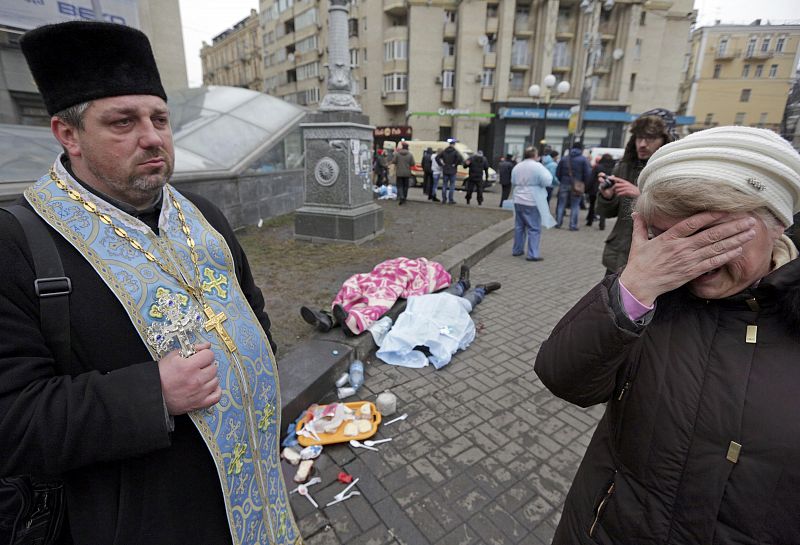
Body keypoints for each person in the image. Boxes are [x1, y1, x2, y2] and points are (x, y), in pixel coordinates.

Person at [0, 21, 301, 545]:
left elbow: (252, 310)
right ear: (68, 135)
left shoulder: (202, 214)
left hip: (253, 496)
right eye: (122, 122)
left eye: (160, 118)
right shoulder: (16, 243)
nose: (152, 137)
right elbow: (12, 421)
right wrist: (152, 394)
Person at [534, 126, 800, 544]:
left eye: (714, 236)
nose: (692, 260)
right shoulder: (655, 298)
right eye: (664, 238)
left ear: (778, 223)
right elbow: (565, 378)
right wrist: (632, 290)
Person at [597, 108, 678, 274]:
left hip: (653, 261)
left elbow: (679, 217)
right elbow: (607, 213)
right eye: (639, 137)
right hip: (618, 256)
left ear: (666, 140)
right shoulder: (624, 167)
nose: (642, 144)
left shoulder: (675, 172)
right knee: (612, 300)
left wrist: (642, 197)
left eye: (651, 138)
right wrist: (607, 197)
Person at [376, 268, 501, 370]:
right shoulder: (440, 336)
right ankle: (481, 289)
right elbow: (453, 332)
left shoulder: (408, 331)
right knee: (468, 302)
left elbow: (401, 326)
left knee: (452, 292)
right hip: (451, 309)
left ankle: (463, 282)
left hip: (434, 302)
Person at [300, 257, 453, 336]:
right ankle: (329, 318)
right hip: (383, 275)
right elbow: (389, 265)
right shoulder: (410, 263)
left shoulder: (431, 269)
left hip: (394, 281)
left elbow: (434, 280)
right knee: (358, 282)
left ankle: (350, 321)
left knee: (380, 296)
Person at [511, 147, 556, 261]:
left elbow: (513, 180)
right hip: (532, 199)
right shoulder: (538, 166)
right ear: (535, 155)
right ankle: (533, 254)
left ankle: (517, 249)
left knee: (519, 226)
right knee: (534, 228)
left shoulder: (518, 166)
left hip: (518, 198)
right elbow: (547, 180)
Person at [555, 140, 592, 231]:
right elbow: (588, 174)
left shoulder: (564, 158)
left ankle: (558, 223)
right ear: (581, 149)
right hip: (577, 185)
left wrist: (562, 180)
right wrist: (584, 183)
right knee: (575, 205)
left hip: (564, 183)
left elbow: (557, 172)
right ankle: (573, 225)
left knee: (561, 204)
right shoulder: (583, 160)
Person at [587, 153, 616, 230]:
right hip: (606, 189)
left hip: (595, 189)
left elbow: (591, 178)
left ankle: (589, 221)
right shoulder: (614, 168)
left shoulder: (597, 167)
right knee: (603, 206)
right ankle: (602, 224)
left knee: (592, 205)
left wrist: (587, 188)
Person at [436, 138, 464, 205]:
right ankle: (450, 199)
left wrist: (442, 164)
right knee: (452, 186)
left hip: (445, 169)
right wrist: (455, 164)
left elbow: (437, 158)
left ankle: (444, 199)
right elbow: (460, 159)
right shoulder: (455, 152)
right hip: (453, 170)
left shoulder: (444, 151)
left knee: (444, 185)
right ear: (454, 144)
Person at [390, 141, 415, 205]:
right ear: (407, 148)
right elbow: (413, 163)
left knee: (400, 186)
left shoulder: (397, 154)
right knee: (406, 186)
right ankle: (404, 197)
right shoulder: (410, 155)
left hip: (399, 172)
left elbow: (393, 161)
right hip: (407, 173)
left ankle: (401, 196)